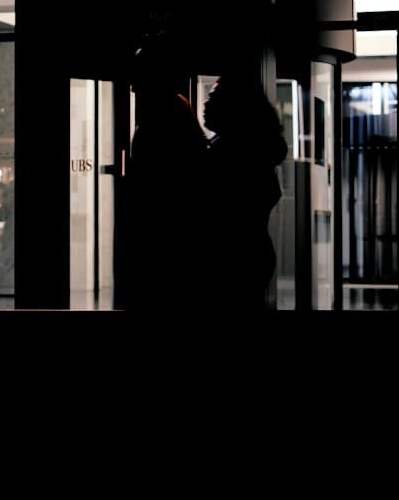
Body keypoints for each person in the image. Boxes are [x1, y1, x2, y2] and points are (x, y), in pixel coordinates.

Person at [123, 33, 209, 311]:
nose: (134, 86)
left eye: (139, 77)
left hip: (164, 241)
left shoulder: (163, 119)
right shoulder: (176, 112)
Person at [202, 72, 288, 310]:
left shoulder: (235, 153)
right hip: (251, 254)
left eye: (213, 96)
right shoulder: (252, 150)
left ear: (234, 105)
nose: (205, 102)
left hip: (233, 259)